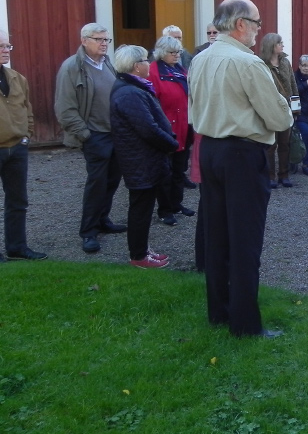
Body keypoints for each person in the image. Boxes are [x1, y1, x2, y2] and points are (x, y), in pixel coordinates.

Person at [189, 0, 293, 338]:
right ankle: (245, 325)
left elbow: (194, 112)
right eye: (256, 23)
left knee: (216, 235)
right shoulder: (247, 64)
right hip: (242, 155)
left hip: (211, 150)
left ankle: (218, 311)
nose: (258, 29)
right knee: (245, 241)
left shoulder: (199, 59)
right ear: (239, 24)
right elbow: (279, 117)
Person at [55, 23, 126, 253]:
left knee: (112, 181)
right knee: (96, 184)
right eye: (99, 39)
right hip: (94, 135)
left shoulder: (106, 63)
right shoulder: (72, 68)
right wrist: (85, 134)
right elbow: (64, 108)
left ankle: (103, 220)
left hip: (113, 133)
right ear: (84, 40)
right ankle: (88, 232)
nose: (104, 44)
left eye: (107, 40)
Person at [110, 45, 178, 269]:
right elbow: (147, 128)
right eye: (145, 60)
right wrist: (172, 143)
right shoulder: (130, 92)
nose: (149, 63)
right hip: (140, 161)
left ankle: (143, 250)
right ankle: (139, 256)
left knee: (144, 208)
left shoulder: (134, 88)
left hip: (144, 160)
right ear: (136, 66)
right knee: (140, 209)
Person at [0, 31, 45, 262]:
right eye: (1, 46)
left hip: (17, 148)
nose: (6, 50)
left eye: (8, 45)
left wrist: (26, 135)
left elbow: (27, 109)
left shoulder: (17, 78)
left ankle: (17, 247)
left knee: (18, 200)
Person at [148, 36, 196, 227]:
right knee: (165, 173)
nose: (177, 55)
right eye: (172, 52)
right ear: (161, 52)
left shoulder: (179, 69)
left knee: (179, 169)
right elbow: (152, 102)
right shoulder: (153, 72)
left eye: (179, 52)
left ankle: (176, 204)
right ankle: (164, 210)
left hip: (184, 127)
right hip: (167, 128)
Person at [258, 33, 296, 188]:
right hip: (270, 110)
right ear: (271, 46)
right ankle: (270, 176)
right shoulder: (261, 65)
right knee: (271, 145)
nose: (282, 45)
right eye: (279, 43)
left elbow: (293, 84)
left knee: (285, 143)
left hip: (286, 109)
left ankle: (284, 175)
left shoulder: (285, 62)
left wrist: (296, 107)